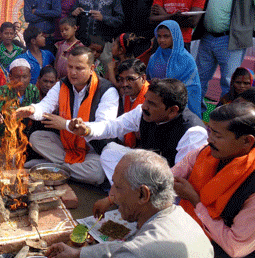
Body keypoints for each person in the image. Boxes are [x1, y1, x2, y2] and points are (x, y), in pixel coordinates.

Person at [19, 150, 216, 258]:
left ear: (143, 194)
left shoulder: (140, 255)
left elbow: (133, 255)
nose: (111, 195)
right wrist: (78, 253)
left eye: (118, 187)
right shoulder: (181, 218)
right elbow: (125, 249)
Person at [173, 102, 255, 258]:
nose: (209, 139)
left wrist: (196, 202)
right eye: (209, 131)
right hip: (197, 234)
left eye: (217, 135)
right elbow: (171, 176)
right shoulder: (207, 152)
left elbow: (235, 246)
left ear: (246, 141)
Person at [68, 78, 207, 184]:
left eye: (152, 104)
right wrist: (86, 129)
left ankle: (137, 203)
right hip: (149, 170)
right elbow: (113, 126)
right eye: (146, 100)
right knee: (110, 151)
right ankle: (124, 195)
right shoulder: (142, 112)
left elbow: (179, 178)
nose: (144, 106)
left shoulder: (193, 133)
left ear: (172, 111)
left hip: (170, 185)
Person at [16, 47, 119, 185]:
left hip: (93, 150)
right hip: (67, 145)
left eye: (79, 68)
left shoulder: (107, 91)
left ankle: (53, 167)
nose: (73, 72)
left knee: (97, 174)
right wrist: (31, 109)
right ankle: (64, 168)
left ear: (92, 68)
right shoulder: (63, 84)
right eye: (70, 67)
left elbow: (104, 128)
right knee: (36, 138)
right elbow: (45, 106)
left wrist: (65, 125)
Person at [71, 0, 123, 74]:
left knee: (105, 77)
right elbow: (72, 24)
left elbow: (120, 21)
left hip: (105, 49)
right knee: (84, 75)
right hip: (85, 47)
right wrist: (74, 14)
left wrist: (103, 18)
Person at [147, 20, 202, 116]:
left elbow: (192, 88)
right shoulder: (154, 57)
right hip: (156, 103)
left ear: (175, 37)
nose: (161, 40)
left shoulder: (186, 59)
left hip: (178, 106)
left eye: (166, 36)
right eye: (159, 36)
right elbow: (147, 80)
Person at [0, 59, 40, 136]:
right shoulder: (1, 92)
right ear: (10, 77)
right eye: (17, 77)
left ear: (30, 76)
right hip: (3, 135)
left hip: (24, 135)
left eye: (25, 77)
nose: (21, 81)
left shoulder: (33, 90)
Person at [117, 59, 149, 147]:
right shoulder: (125, 96)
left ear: (143, 78)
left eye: (130, 79)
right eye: (121, 79)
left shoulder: (151, 99)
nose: (124, 84)